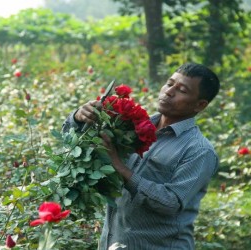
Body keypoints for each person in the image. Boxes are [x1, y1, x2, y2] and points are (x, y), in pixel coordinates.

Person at [62, 62, 220, 249]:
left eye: (182, 90)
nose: (169, 92)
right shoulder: (130, 126)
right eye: (169, 84)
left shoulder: (199, 151)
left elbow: (171, 203)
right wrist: (80, 118)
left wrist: (120, 168)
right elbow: (75, 144)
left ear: (200, 105)